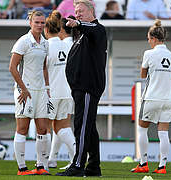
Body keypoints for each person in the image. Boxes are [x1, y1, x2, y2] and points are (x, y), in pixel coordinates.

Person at [56, 0, 107, 177]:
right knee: (89, 127)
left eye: (81, 11)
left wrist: (78, 23)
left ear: (91, 11)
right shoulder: (82, 33)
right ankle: (93, 166)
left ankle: (78, 165)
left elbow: (91, 28)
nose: (77, 14)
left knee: (82, 126)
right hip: (79, 88)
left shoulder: (97, 29)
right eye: (76, 11)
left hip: (88, 86)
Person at [130, 19, 171, 174]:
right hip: (168, 99)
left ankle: (143, 163)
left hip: (151, 97)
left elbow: (143, 75)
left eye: (149, 39)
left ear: (154, 39)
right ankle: (162, 167)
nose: (148, 41)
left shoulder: (149, 53)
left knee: (142, 130)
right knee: (163, 133)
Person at [9, 10, 50, 175]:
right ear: (30, 23)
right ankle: (22, 168)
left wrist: (48, 88)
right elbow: (12, 67)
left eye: (42, 23)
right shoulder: (23, 41)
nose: (40, 25)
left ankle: (40, 166)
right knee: (23, 128)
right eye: (37, 22)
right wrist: (23, 89)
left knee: (42, 128)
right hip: (25, 90)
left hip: (41, 91)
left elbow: (44, 67)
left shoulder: (46, 43)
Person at [44, 11, 76, 170]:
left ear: (46, 29)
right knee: (62, 127)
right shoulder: (69, 44)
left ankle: (43, 162)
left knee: (47, 127)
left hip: (52, 93)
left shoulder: (46, 46)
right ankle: (71, 158)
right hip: (67, 92)